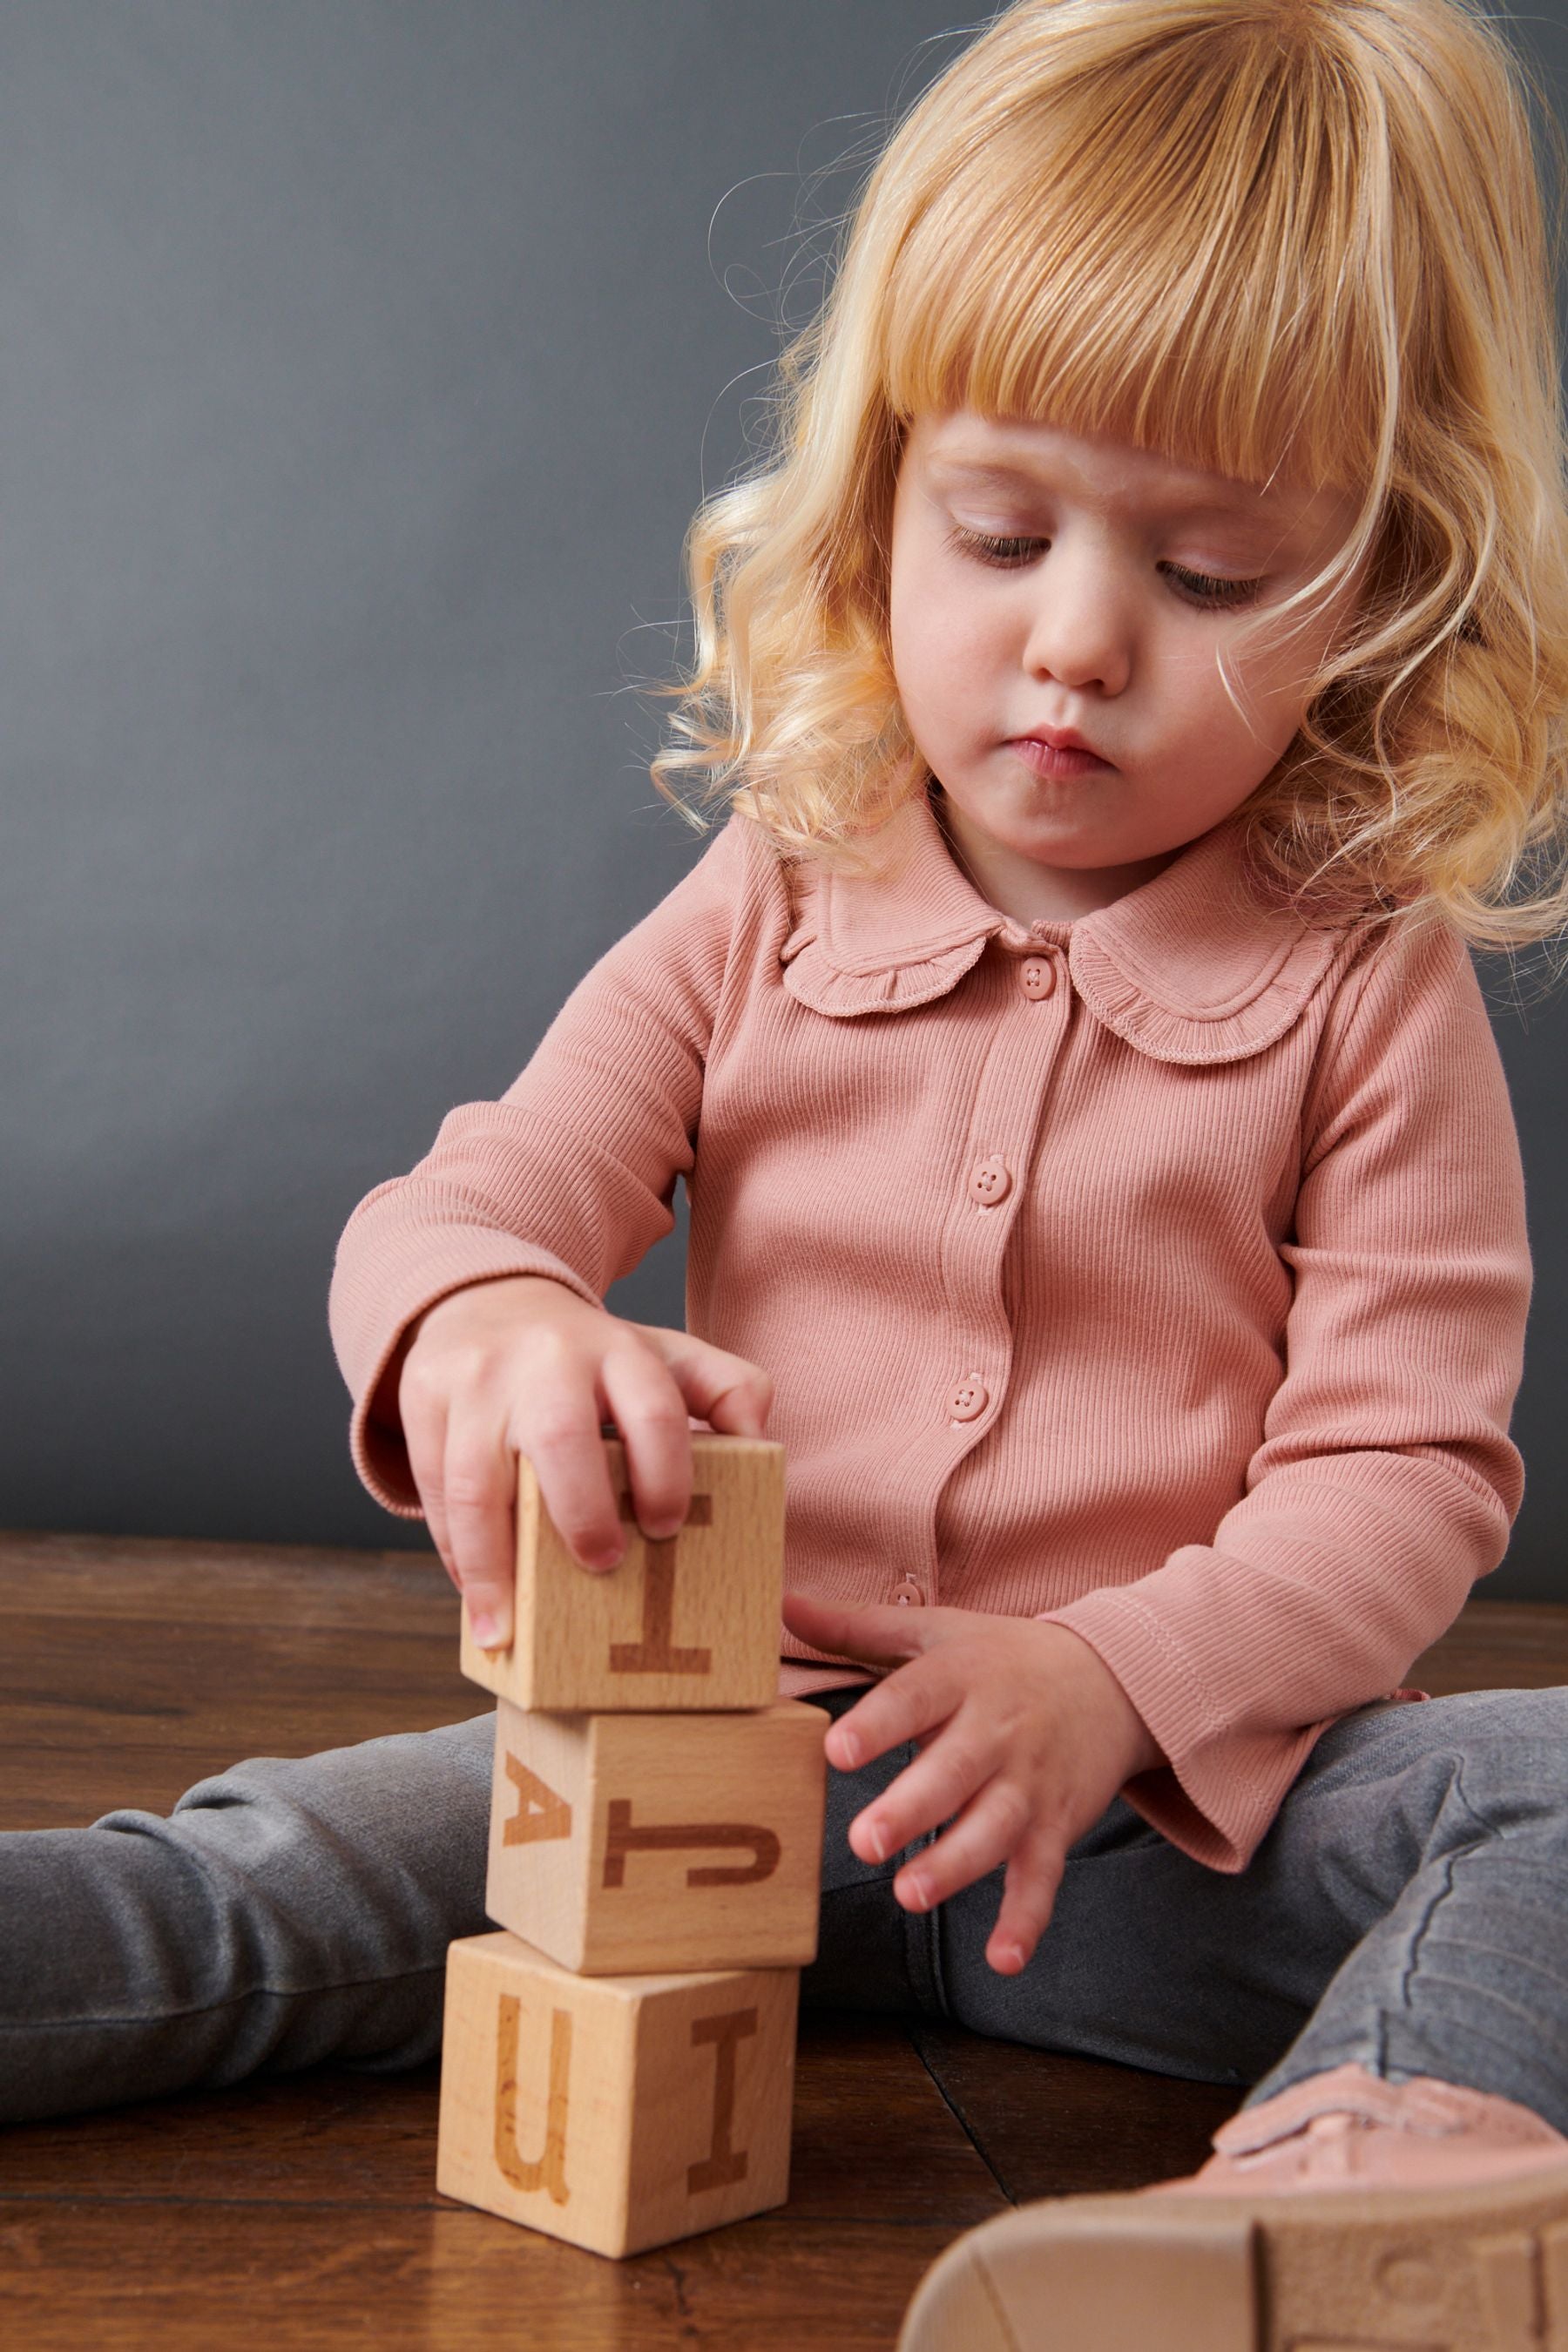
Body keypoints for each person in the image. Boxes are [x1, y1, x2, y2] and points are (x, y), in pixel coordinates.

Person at [5, 0, 1568, 2338]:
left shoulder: (1365, 979)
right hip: (711, 1768)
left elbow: (1409, 1471)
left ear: (1382, 579)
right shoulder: (783, 888)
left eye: (1216, 572)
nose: (1074, 643)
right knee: (280, 1863)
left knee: (1538, 1790)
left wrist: (1109, 1678)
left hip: (1149, 1839)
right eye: (1005, 527)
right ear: (878, 491)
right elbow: (462, 1206)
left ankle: (1356, 2193)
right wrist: (492, 1324)